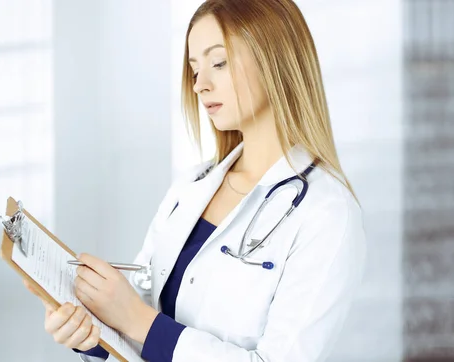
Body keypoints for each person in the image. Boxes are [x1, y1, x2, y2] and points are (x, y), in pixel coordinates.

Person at [25, 0, 366, 360]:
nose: (200, 85)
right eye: (194, 69)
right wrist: (92, 336)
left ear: (275, 61)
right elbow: (135, 329)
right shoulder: (192, 186)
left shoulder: (327, 214)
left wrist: (139, 320)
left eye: (218, 63)